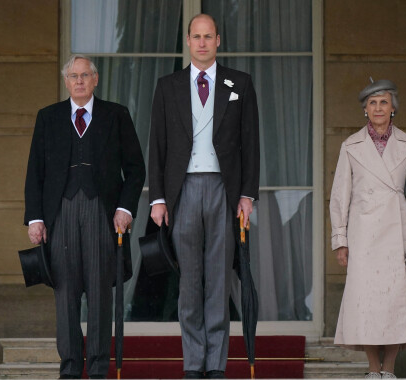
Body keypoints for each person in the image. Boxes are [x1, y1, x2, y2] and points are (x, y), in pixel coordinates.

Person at [148, 13, 259, 380]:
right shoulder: (168, 86)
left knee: (219, 279)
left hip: (223, 190)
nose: (201, 43)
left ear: (218, 40)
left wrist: (247, 195)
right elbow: (157, 147)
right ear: (187, 40)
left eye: (208, 36)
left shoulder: (239, 82)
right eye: (196, 36)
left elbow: (250, 145)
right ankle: (193, 362)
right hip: (183, 191)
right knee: (189, 281)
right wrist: (158, 198)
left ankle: (216, 364)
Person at [24, 54, 145, 379]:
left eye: (85, 75)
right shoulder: (48, 117)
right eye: (73, 76)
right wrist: (35, 218)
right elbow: (35, 171)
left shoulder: (116, 115)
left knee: (100, 293)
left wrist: (125, 208)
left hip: (101, 213)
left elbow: (135, 168)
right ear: (66, 82)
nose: (79, 80)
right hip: (60, 214)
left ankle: (98, 369)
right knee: (64, 294)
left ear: (95, 80)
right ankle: (70, 370)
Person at [329, 79, 406, 379]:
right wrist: (341, 239)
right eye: (372, 103)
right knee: (366, 304)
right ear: (365, 109)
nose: (378, 108)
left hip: (397, 236)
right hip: (362, 238)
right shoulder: (350, 146)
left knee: (395, 304)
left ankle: (388, 371)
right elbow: (340, 196)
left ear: (393, 109)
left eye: (384, 102)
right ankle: (372, 370)